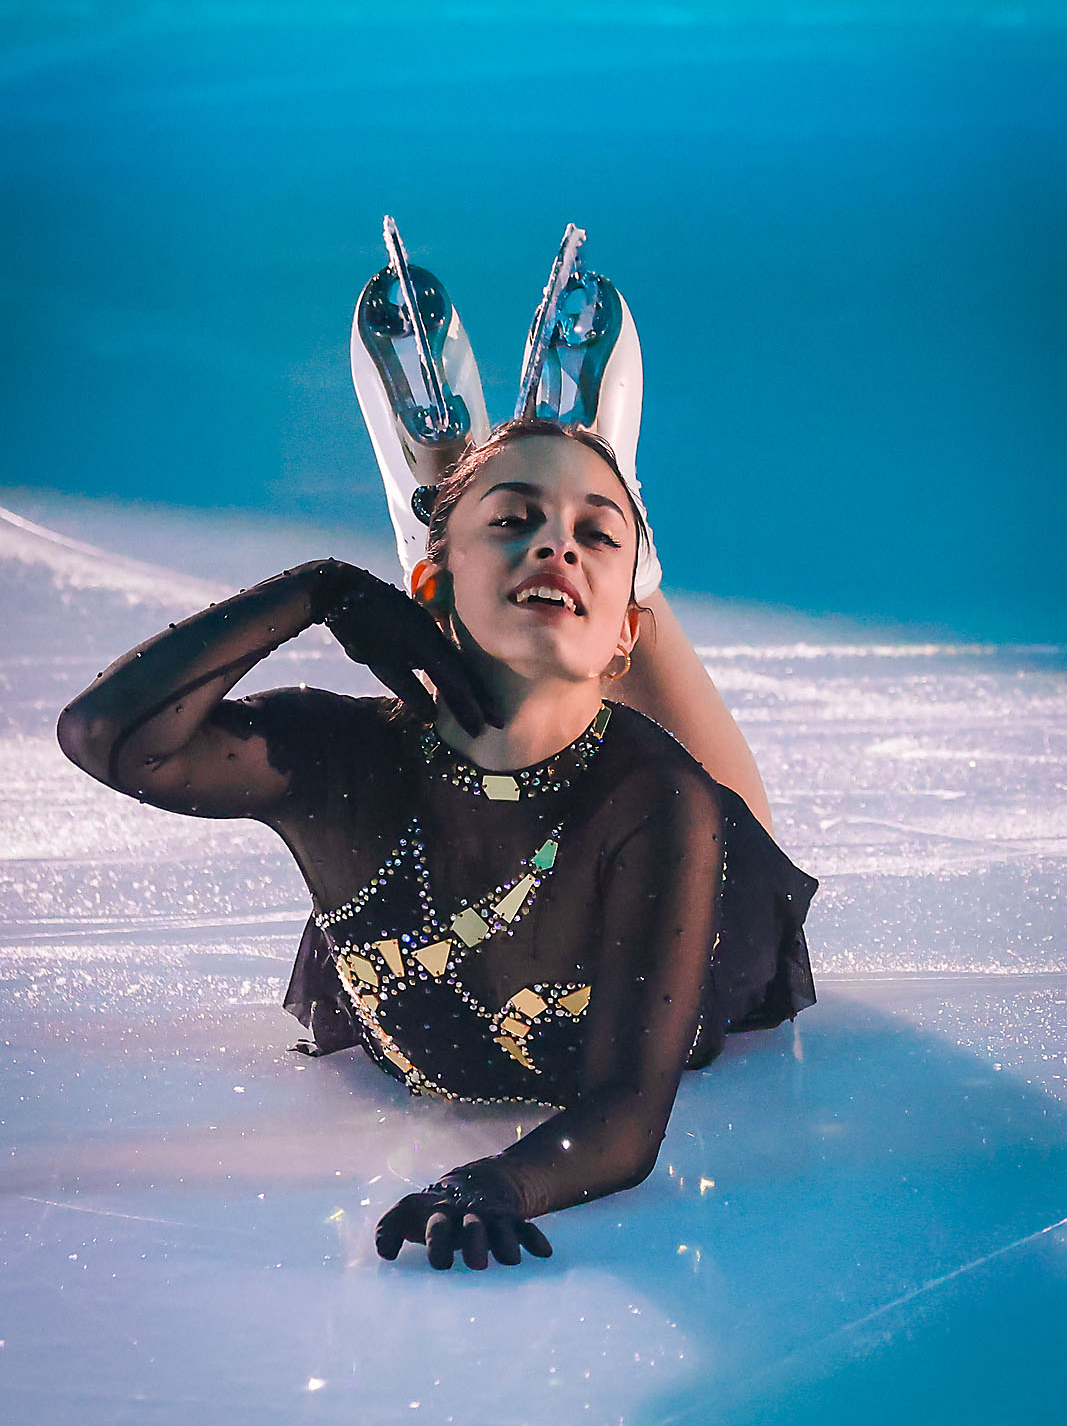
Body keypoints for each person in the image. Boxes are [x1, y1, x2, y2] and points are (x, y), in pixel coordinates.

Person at [56, 237, 817, 1273]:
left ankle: (538, 494)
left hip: (684, 907)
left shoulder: (659, 802)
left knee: (742, 838)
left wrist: (493, 1181)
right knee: (546, 598)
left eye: (593, 534)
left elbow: (624, 1115)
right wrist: (323, 589)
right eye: (518, 521)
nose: (556, 545)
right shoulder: (340, 761)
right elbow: (106, 736)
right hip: (441, 700)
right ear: (421, 587)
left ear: (623, 642)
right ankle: (507, 488)